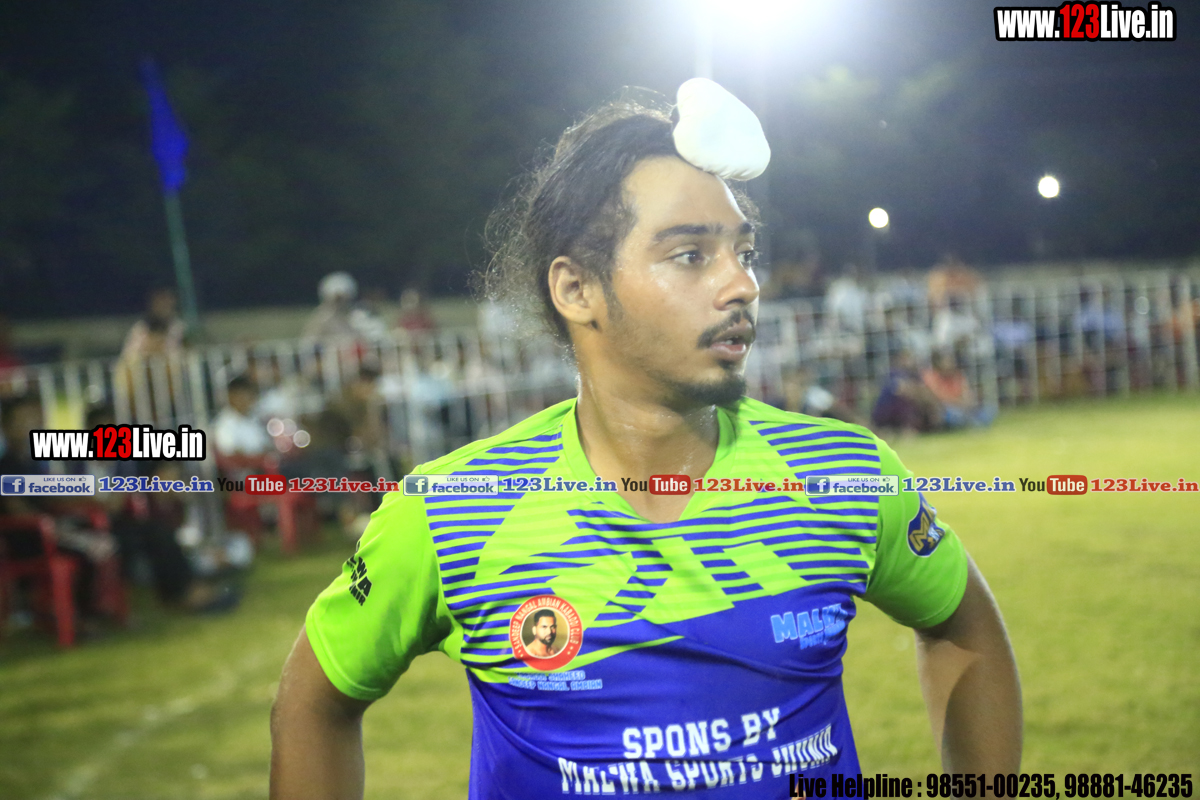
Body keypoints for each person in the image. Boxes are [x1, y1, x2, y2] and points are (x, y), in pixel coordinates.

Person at [270, 80, 1021, 798]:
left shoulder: (842, 475)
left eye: (744, 252)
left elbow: (964, 626)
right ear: (577, 289)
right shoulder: (453, 509)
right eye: (691, 255)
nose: (743, 285)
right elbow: (313, 700)